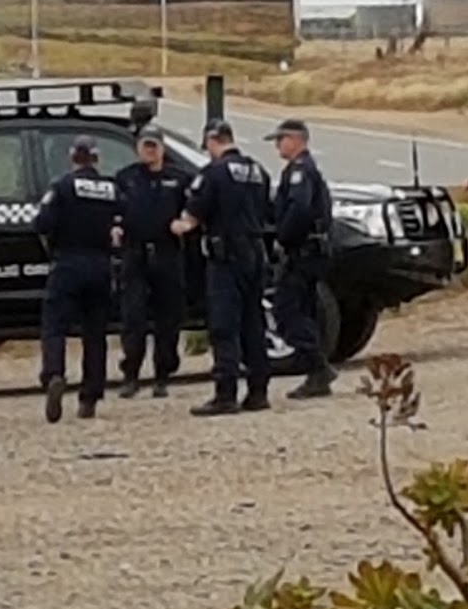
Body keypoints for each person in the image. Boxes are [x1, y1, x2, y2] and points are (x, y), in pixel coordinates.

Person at [170, 118, 271, 417]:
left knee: (224, 325)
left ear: (213, 141)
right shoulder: (257, 171)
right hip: (255, 252)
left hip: (225, 256)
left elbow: (192, 217)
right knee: (253, 323)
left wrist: (178, 226)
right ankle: (258, 391)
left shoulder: (213, 173)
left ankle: (225, 393)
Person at [35, 134, 120, 424]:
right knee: (95, 334)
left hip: (68, 263)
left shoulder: (62, 187)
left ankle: (54, 374)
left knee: (54, 326)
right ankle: (90, 396)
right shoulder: (111, 188)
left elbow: (42, 223)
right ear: (96, 158)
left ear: (74, 157)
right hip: (100, 265)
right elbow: (124, 221)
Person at [114, 123, 191, 399]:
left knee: (168, 318)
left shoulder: (179, 178)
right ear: (138, 148)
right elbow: (115, 210)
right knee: (133, 318)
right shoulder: (125, 178)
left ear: (161, 148)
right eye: (145, 145)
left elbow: (194, 209)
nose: (149, 150)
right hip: (135, 253)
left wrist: (186, 223)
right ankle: (131, 375)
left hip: (167, 253)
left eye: (154, 146)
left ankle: (162, 376)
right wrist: (115, 227)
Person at [265, 117, 337, 399]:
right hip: (311, 251)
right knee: (302, 311)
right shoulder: (305, 170)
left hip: (303, 252)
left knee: (287, 310)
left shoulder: (299, 172)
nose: (277, 146)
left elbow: (299, 209)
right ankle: (316, 371)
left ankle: (317, 366)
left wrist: (283, 237)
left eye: (280, 140)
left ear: (295, 140)